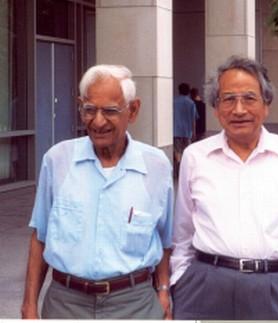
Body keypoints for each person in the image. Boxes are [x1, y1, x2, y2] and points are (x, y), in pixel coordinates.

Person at [170, 56, 278, 320]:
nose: (238, 110)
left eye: (249, 98)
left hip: (276, 288)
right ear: (215, 107)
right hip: (204, 287)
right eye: (228, 99)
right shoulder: (195, 156)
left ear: (266, 105)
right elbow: (182, 232)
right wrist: (180, 281)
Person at [21, 65, 173, 319]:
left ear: (133, 110)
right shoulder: (57, 160)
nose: (98, 121)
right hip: (65, 303)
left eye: (110, 111)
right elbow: (41, 236)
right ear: (80, 106)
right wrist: (29, 305)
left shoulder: (156, 166)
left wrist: (164, 292)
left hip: (134, 304)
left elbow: (165, 240)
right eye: (89, 110)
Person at [173, 82, 198, 178]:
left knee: (177, 151)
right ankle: (185, 170)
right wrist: (194, 132)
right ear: (188, 91)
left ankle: (178, 167)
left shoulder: (174, 101)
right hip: (187, 132)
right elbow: (193, 119)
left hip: (176, 130)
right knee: (186, 151)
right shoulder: (191, 103)